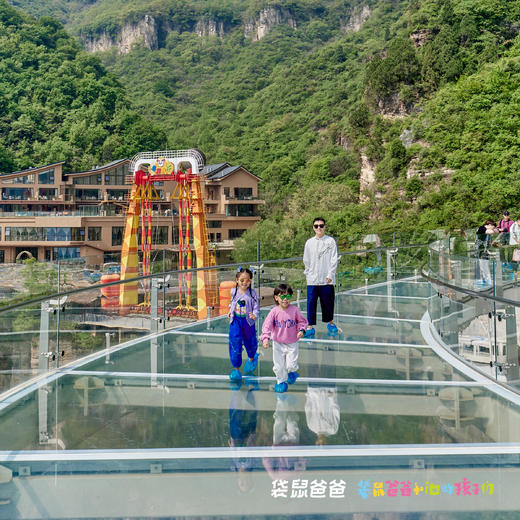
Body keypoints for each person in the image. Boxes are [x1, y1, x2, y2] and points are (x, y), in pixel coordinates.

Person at [261, 284, 308, 393]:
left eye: (287, 296)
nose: (285, 299)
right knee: (278, 366)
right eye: (282, 297)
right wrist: (265, 338)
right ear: (276, 298)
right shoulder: (274, 312)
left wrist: (302, 330)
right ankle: (280, 382)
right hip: (278, 343)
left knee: (291, 365)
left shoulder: (295, 310)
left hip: (292, 343)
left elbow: (302, 321)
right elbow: (267, 326)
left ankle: (292, 372)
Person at [303, 217, 339, 338]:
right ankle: (310, 326)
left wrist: (330, 274)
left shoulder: (330, 241)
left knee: (327, 302)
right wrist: (308, 274)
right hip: (312, 279)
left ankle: (330, 323)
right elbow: (306, 260)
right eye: (316, 226)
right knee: (311, 303)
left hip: (327, 279)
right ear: (313, 228)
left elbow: (334, 259)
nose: (319, 228)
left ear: (325, 227)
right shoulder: (309, 242)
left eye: (321, 225)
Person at [228, 267, 260, 382]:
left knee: (250, 341)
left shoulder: (252, 293)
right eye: (242, 280)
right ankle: (236, 369)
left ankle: (252, 358)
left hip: (248, 322)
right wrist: (230, 311)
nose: (244, 283)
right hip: (236, 321)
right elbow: (232, 302)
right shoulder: (234, 291)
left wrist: (254, 315)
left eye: (247, 280)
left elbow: (256, 307)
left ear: (250, 281)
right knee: (235, 342)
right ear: (237, 280)